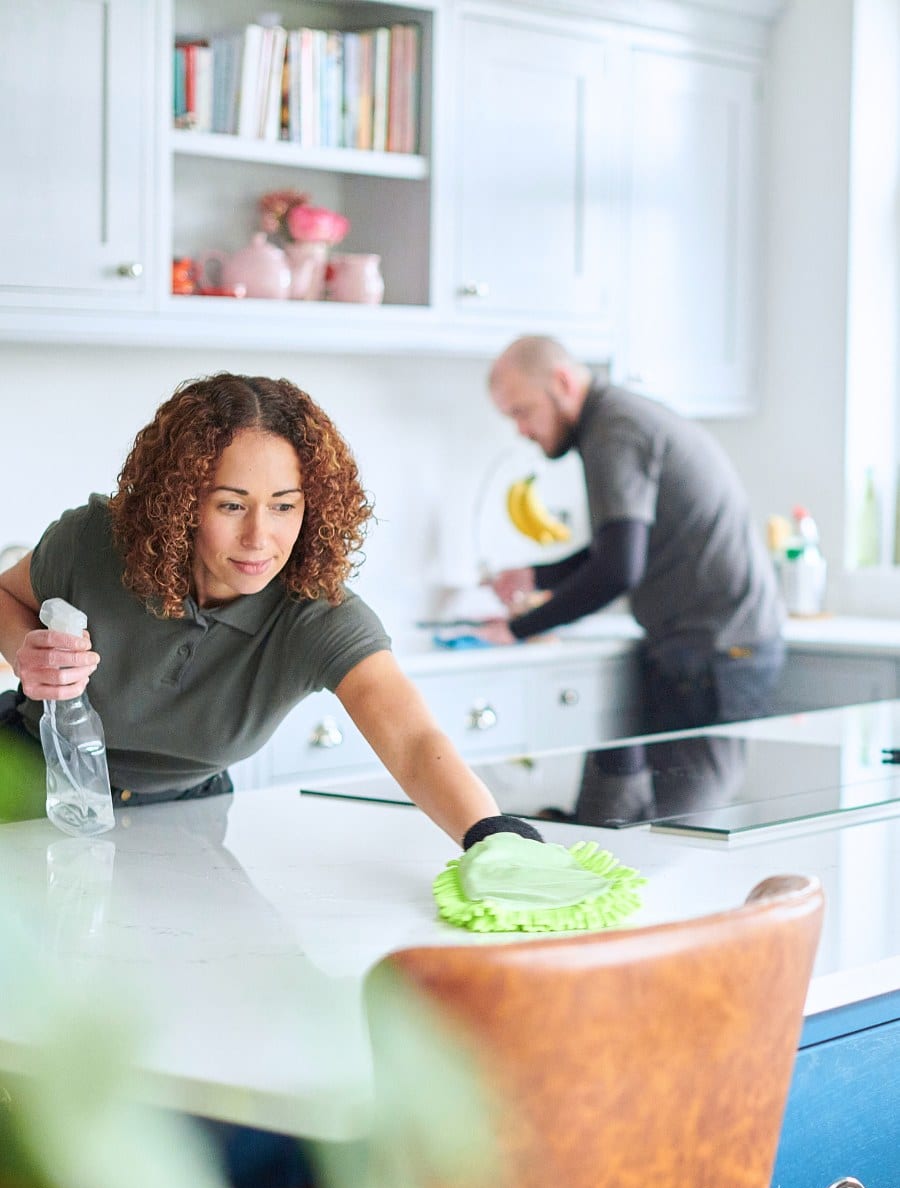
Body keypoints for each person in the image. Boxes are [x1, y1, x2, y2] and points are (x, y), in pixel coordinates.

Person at [0, 372, 539, 856]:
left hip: (185, 818)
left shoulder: (317, 616)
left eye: (284, 506)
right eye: (231, 505)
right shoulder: (95, 541)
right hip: (23, 777)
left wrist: (491, 835)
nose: (260, 538)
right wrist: (23, 652)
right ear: (181, 500)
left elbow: (416, 741)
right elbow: (5, 596)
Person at [479, 335, 786, 731]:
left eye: (523, 411)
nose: (522, 430)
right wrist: (537, 577)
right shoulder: (618, 417)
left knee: (686, 790)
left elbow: (617, 570)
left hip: (716, 652)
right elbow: (618, 547)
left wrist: (517, 628)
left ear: (563, 383)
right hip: (725, 646)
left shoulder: (614, 432)